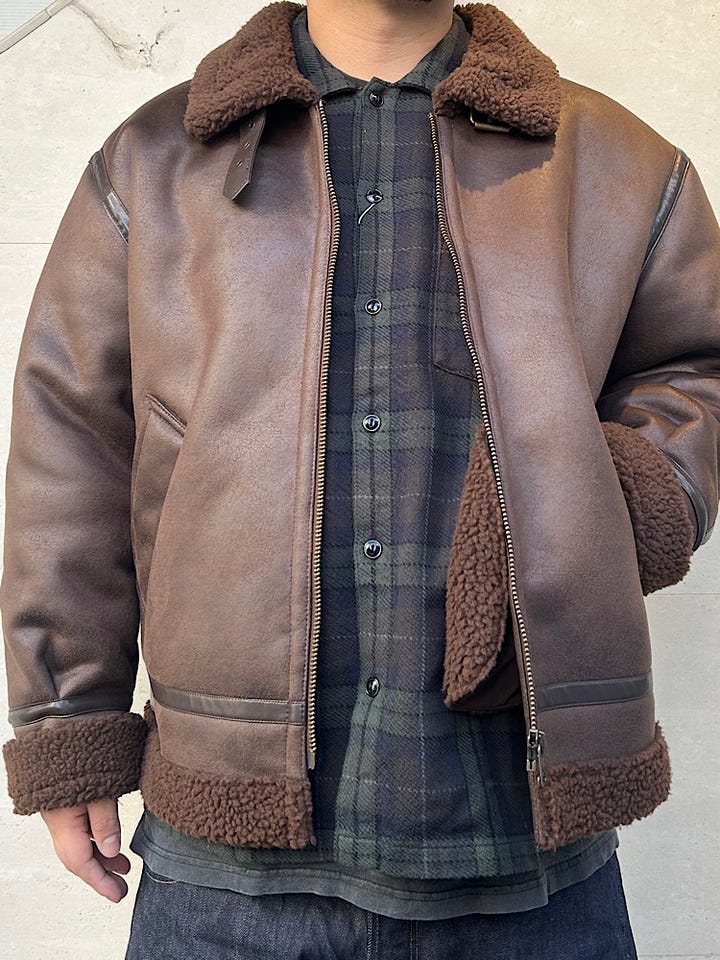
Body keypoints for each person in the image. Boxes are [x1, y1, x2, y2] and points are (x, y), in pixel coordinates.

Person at [2, 0, 719, 956]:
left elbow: (698, 372)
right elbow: (74, 446)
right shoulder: (153, 161)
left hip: (523, 852)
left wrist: (606, 502)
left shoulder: (617, 161)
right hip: (225, 871)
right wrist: (69, 725)